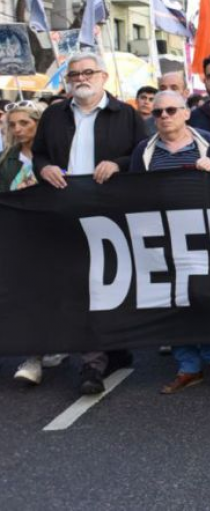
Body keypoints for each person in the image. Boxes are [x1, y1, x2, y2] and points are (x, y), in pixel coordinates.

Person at [33, 52, 147, 395]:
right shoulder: (54, 115)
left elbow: (141, 153)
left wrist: (118, 164)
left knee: (105, 283)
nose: (80, 79)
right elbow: (39, 153)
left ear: (103, 77)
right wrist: (44, 169)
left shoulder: (125, 114)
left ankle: (105, 354)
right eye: (74, 75)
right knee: (79, 284)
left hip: (108, 213)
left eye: (87, 73)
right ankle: (94, 361)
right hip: (64, 211)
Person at [127, 91, 210, 394]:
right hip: (161, 238)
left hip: (206, 235)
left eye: (171, 110)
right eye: (157, 112)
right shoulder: (143, 151)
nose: (163, 116)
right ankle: (188, 365)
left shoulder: (209, 143)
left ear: (186, 113)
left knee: (206, 297)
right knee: (173, 301)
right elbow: (134, 192)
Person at [3, 100, 69, 386]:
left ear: (38, 124)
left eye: (24, 123)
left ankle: (60, 341)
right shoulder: (6, 162)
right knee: (28, 297)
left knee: (58, 294)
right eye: (13, 124)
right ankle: (33, 358)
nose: (18, 129)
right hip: (22, 237)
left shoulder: (58, 156)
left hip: (58, 235)